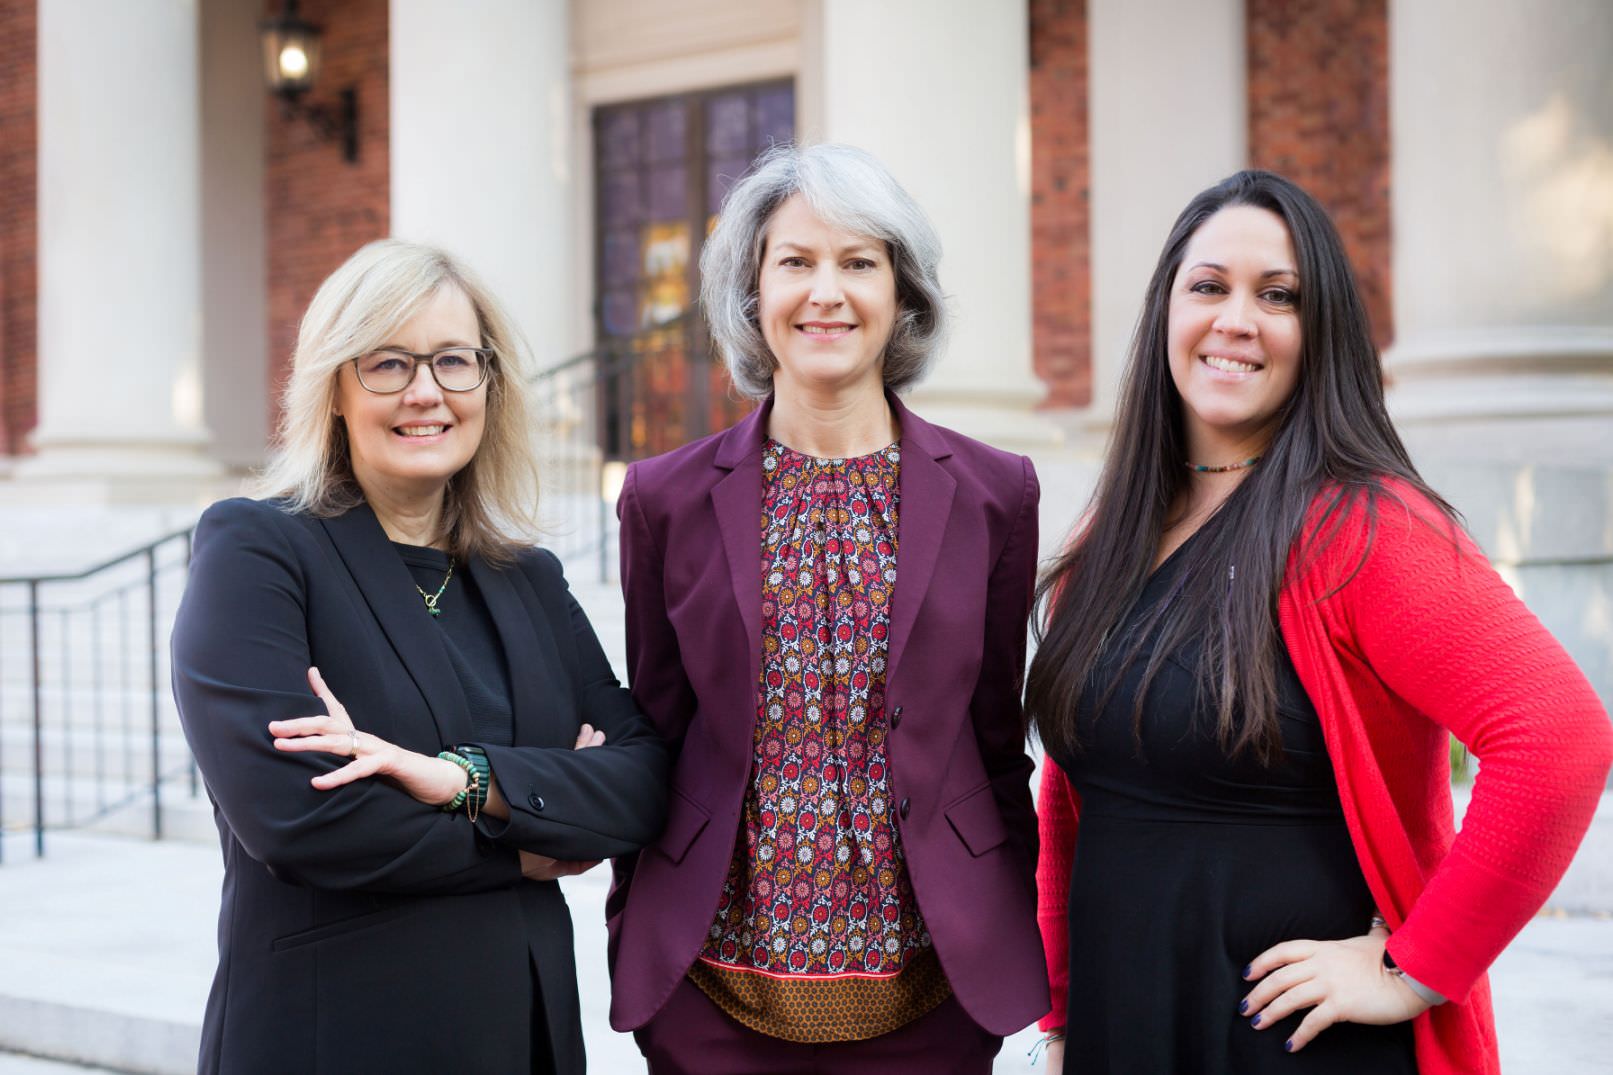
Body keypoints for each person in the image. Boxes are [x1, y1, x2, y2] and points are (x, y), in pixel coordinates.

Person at [1025, 169, 1613, 1074]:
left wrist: (1410, 969)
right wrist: (1063, 1019)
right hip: (1125, 1024)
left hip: (1290, 1043)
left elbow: (1558, 738)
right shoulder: (1109, 532)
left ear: (1320, 331)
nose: (1235, 319)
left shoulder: (1363, 526)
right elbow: (1074, 800)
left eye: (1278, 296)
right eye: (1208, 286)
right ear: (1165, 314)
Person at [171, 239, 670, 1075]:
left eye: (452, 361)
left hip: (523, 1039)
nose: (426, 392)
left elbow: (645, 780)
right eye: (389, 363)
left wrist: (464, 780)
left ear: (488, 384)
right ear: (333, 387)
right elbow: (300, 818)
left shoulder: (529, 579)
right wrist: (529, 835)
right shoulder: (260, 551)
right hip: (337, 1037)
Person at [605, 143, 1049, 1074]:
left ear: (902, 294)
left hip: (930, 994)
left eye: (858, 263)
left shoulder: (992, 493)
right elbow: (653, 735)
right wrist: (632, 941)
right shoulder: (664, 499)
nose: (826, 292)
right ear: (751, 293)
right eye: (795, 262)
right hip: (712, 996)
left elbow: (995, 740)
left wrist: (1011, 935)